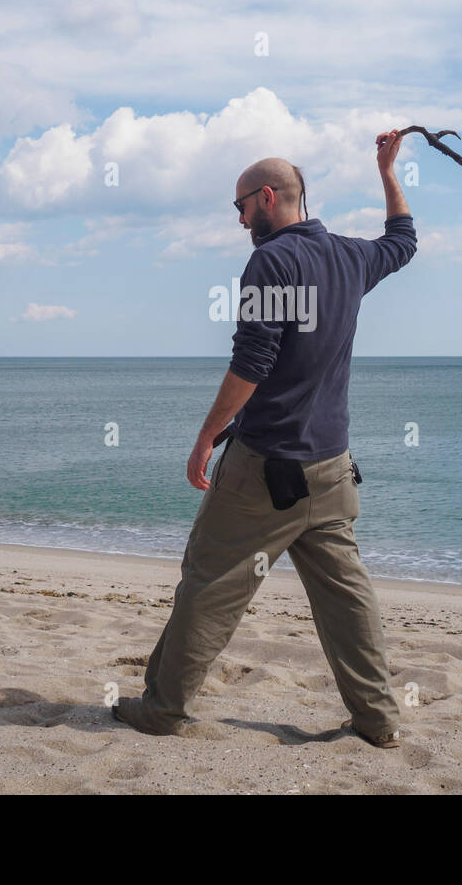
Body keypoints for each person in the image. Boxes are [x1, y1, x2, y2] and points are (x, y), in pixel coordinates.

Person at [111, 129, 417, 747]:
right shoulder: (351, 257)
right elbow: (404, 242)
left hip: (264, 471)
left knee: (210, 582)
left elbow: (253, 358)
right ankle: (379, 719)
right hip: (332, 468)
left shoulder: (271, 261)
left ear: (268, 197)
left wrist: (205, 435)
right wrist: (388, 172)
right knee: (345, 598)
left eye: (240, 206)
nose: (238, 219)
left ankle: (164, 709)